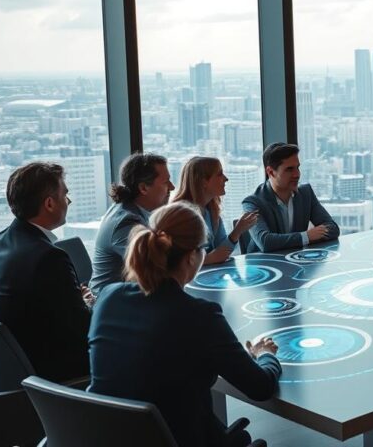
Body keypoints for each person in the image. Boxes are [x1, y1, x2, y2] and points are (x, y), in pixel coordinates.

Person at [88, 202, 281, 447]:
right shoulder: (200, 315)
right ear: (192, 257)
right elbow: (260, 387)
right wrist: (265, 355)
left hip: (105, 438)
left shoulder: (109, 297)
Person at [0, 162, 92, 382]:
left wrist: (72, 301)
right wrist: (89, 305)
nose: (68, 201)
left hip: (10, 362)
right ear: (50, 203)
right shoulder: (49, 257)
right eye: (65, 195)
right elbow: (83, 331)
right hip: (48, 370)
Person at [89, 152, 173, 293]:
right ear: (143, 188)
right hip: (112, 307)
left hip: (127, 296)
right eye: (166, 182)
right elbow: (157, 268)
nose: (172, 187)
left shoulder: (135, 210)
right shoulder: (126, 222)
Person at [241, 142, 339, 253]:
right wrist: (306, 236)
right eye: (289, 169)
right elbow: (265, 242)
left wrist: (307, 237)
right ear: (270, 172)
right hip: (266, 266)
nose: (297, 174)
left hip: (297, 262)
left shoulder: (306, 193)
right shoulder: (252, 203)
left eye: (297, 167)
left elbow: (333, 228)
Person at [173, 156, 258, 265]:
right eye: (220, 174)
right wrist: (208, 259)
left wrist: (237, 231)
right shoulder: (180, 215)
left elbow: (221, 251)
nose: (226, 179)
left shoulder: (211, 210)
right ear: (204, 182)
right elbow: (176, 261)